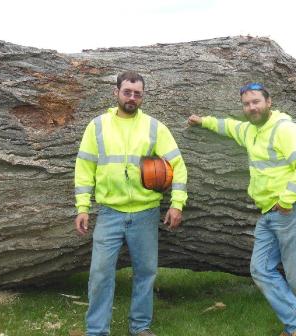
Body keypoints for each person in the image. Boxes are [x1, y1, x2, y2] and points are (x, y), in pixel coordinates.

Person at [187, 82, 296, 336]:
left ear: (269, 102)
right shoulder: (249, 130)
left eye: (256, 101)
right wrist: (202, 121)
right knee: (260, 269)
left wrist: (288, 199)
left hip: (290, 210)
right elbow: (227, 126)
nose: (251, 107)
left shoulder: (284, 129)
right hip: (269, 212)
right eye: (246, 104)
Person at [74, 71, 188, 336]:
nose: (132, 98)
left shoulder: (154, 127)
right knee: (100, 275)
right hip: (109, 212)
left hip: (145, 212)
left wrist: (177, 203)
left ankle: (140, 327)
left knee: (146, 273)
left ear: (142, 96)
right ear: (116, 92)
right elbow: (84, 167)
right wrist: (82, 207)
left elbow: (178, 166)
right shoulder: (98, 126)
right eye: (127, 92)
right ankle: (96, 330)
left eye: (137, 94)